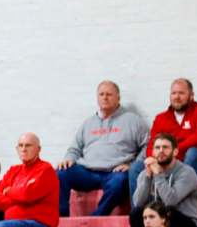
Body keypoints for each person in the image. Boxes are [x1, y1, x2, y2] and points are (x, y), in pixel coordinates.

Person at [57, 81, 149, 216]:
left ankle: (97, 216)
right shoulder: (88, 123)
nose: (105, 97)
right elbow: (74, 148)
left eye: (109, 94)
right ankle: (62, 218)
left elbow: (149, 145)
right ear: (97, 98)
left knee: (119, 182)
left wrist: (133, 164)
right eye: (101, 94)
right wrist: (69, 158)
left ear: (118, 98)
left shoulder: (133, 121)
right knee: (61, 173)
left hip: (114, 172)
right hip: (87, 172)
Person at [136, 78, 197, 189]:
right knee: (137, 167)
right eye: (174, 93)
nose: (177, 97)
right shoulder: (161, 118)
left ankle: (178, 198)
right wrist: (152, 160)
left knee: (193, 153)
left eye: (181, 93)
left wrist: (173, 151)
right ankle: (139, 207)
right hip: (171, 168)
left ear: (191, 95)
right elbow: (152, 144)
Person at [131, 133, 197, 227]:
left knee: (169, 211)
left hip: (186, 225)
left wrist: (158, 175)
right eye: (157, 148)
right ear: (153, 152)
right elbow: (138, 203)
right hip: (159, 223)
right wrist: (148, 177)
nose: (161, 151)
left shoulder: (187, 172)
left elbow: (170, 201)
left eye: (165, 147)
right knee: (136, 213)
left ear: (175, 152)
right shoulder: (145, 173)